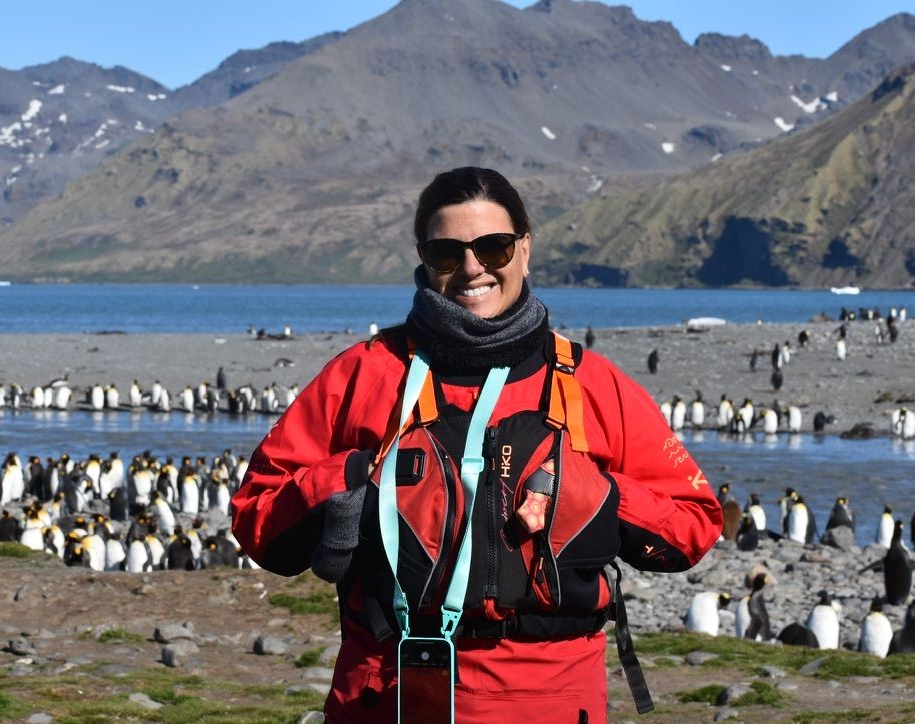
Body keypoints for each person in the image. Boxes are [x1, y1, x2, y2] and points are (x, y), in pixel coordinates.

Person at [231, 167, 722, 722]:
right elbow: (257, 517)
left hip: (552, 699)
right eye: (446, 252)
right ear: (423, 259)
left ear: (525, 249)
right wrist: (342, 484)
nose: (472, 268)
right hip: (386, 693)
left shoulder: (590, 384)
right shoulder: (362, 375)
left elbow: (694, 526)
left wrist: (601, 498)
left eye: (494, 247)